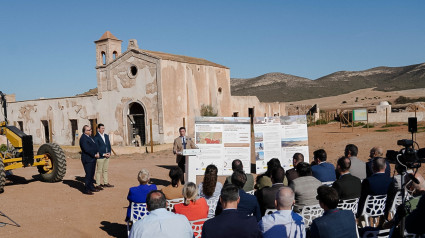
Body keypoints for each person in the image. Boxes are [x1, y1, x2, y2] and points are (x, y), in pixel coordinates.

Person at [79, 125, 100, 195]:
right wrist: (94, 155)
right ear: (85, 131)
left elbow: (94, 146)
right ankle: (86, 189)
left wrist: (97, 152)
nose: (90, 131)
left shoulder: (90, 137)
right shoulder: (83, 138)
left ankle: (91, 187)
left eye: (90, 129)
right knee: (88, 174)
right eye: (88, 130)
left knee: (92, 174)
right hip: (87, 159)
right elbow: (86, 149)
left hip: (92, 158)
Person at [94, 123, 114, 189]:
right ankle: (98, 184)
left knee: (105, 170)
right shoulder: (96, 137)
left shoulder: (106, 136)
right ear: (98, 129)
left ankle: (105, 183)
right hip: (101, 156)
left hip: (107, 156)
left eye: (103, 128)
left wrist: (109, 153)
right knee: (99, 171)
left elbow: (108, 145)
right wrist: (103, 154)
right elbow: (96, 148)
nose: (103, 129)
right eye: (102, 128)